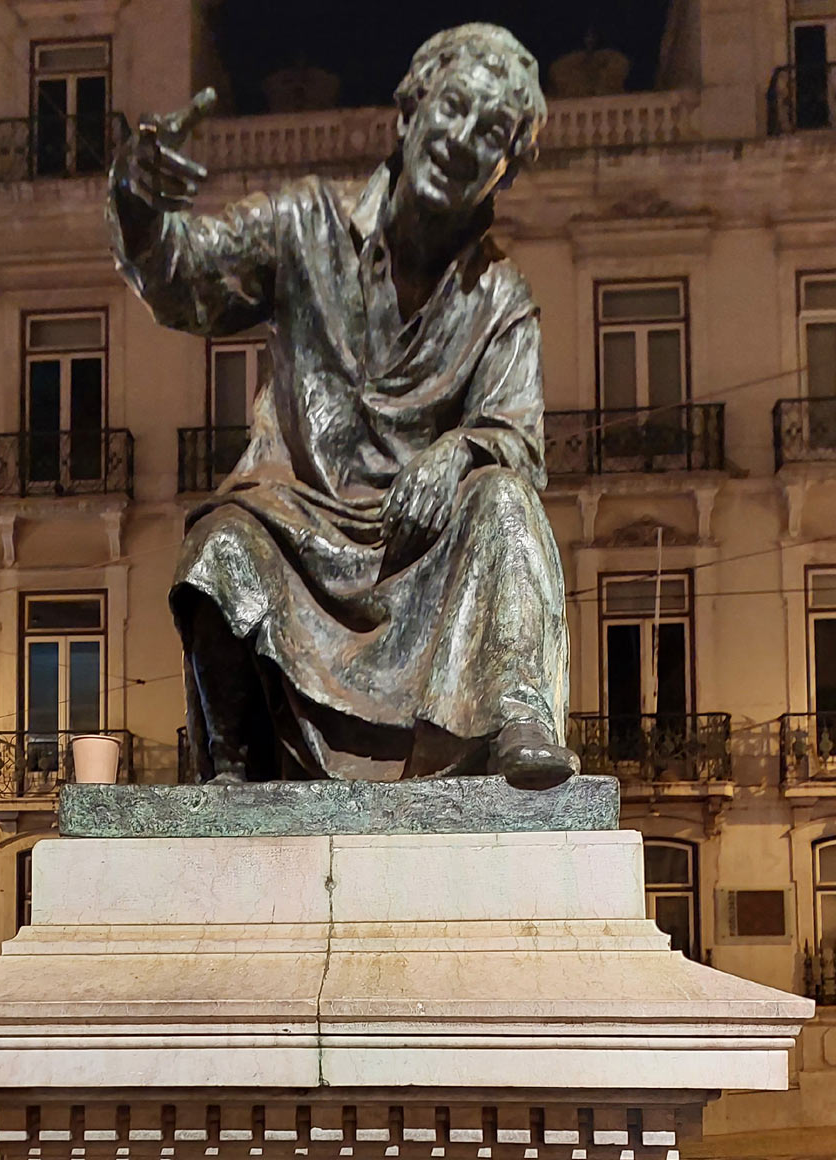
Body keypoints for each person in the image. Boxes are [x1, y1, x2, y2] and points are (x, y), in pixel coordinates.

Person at [109, 25, 580, 788]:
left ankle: (518, 717)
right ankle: (235, 771)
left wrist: (460, 450)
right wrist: (137, 204)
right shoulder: (303, 224)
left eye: (491, 131)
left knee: (504, 500)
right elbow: (186, 279)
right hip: (298, 530)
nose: (461, 140)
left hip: (416, 554)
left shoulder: (501, 299)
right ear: (408, 114)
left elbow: (519, 440)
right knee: (223, 545)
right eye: (452, 108)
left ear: (506, 169)